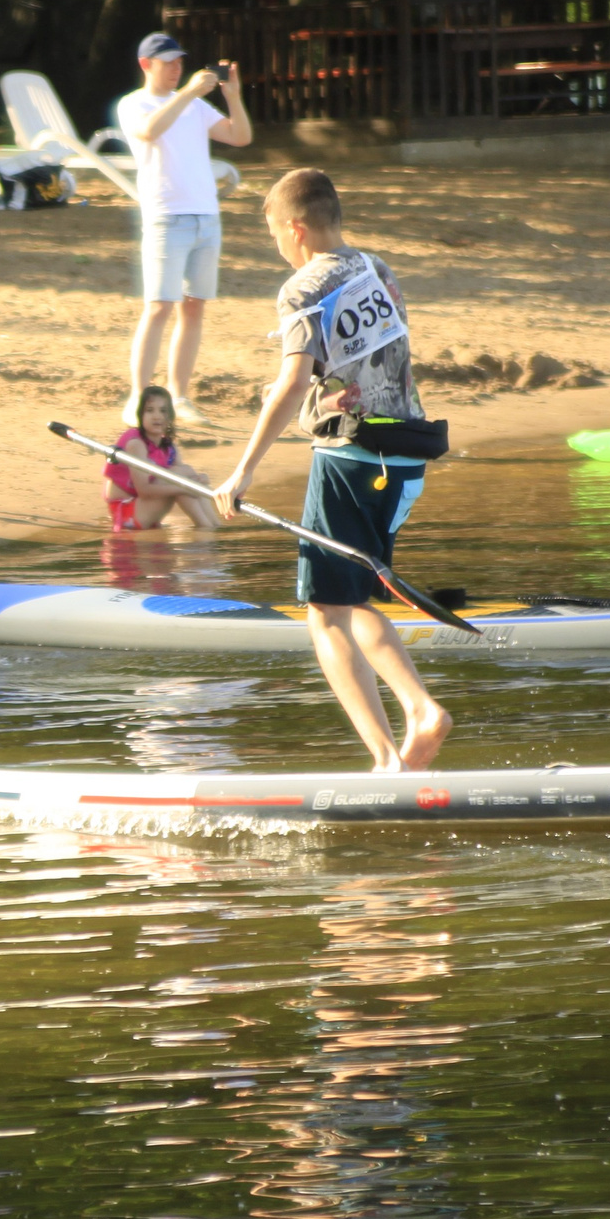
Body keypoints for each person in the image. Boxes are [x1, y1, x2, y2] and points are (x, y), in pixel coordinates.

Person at [215, 169, 448, 773]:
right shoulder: (378, 266)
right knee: (358, 595)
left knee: (324, 611)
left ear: (295, 227)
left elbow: (295, 382)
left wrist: (241, 473)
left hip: (349, 461)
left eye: (273, 233)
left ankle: (391, 749)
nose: (277, 245)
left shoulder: (302, 286)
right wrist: (315, 387)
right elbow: (367, 361)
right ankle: (411, 728)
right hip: (406, 459)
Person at [115, 31, 251, 427]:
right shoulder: (135, 104)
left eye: (179, 62)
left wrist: (233, 95)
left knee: (194, 308)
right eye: (167, 62)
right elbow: (148, 132)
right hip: (165, 217)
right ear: (146, 65)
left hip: (206, 216)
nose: (176, 68)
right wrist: (190, 93)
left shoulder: (194, 106)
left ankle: (179, 395)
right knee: (159, 307)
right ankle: (140, 397)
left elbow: (240, 136)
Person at [103, 385, 219, 530]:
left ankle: (213, 525)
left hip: (145, 509)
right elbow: (144, 491)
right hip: (127, 513)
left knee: (185, 474)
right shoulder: (136, 444)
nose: (157, 416)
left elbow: (185, 475)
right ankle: (205, 527)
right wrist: (183, 488)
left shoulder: (169, 447)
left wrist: (201, 480)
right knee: (181, 481)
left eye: (163, 411)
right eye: (150, 410)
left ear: (170, 417)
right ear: (141, 415)